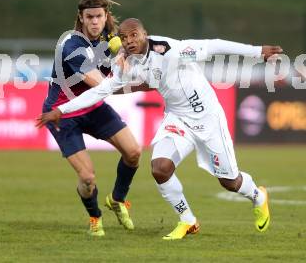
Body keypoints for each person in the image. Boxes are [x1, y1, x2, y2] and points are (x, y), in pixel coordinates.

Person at [37, 18, 283, 240]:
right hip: (177, 118)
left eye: (134, 35)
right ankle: (188, 220)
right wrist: (61, 110)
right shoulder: (127, 65)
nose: (130, 41)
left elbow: (213, 45)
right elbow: (101, 91)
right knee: (160, 169)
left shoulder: (171, 50)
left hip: (208, 118)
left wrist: (258, 51)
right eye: (124, 38)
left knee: (229, 181)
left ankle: (258, 197)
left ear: (145, 34)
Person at [40, 0, 142, 237]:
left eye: (99, 16)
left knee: (134, 152)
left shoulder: (113, 40)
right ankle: (95, 216)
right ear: (81, 18)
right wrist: (134, 76)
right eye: (89, 17)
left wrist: (126, 56)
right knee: (87, 177)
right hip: (62, 114)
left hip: (93, 107)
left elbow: (129, 59)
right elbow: (98, 83)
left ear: (106, 16)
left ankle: (117, 199)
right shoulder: (72, 46)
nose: (95, 22)